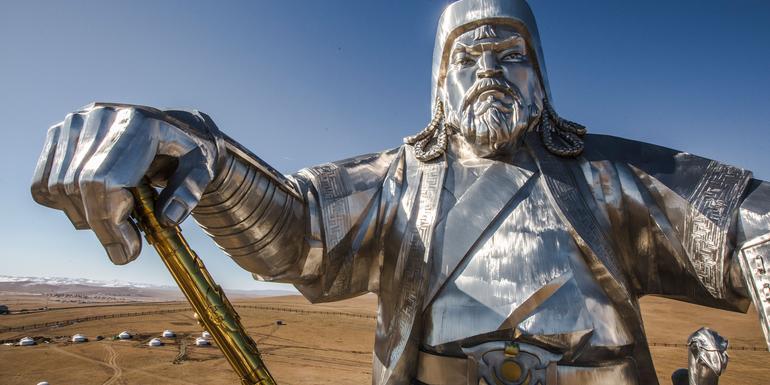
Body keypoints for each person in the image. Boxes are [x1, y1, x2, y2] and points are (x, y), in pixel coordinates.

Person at [30, 1, 770, 384]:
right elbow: (298, 235)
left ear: (541, 77)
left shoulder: (611, 176)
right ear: (438, 84)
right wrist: (205, 150)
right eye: (468, 55)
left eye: (509, 53)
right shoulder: (395, 184)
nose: (488, 69)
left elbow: (742, 220)